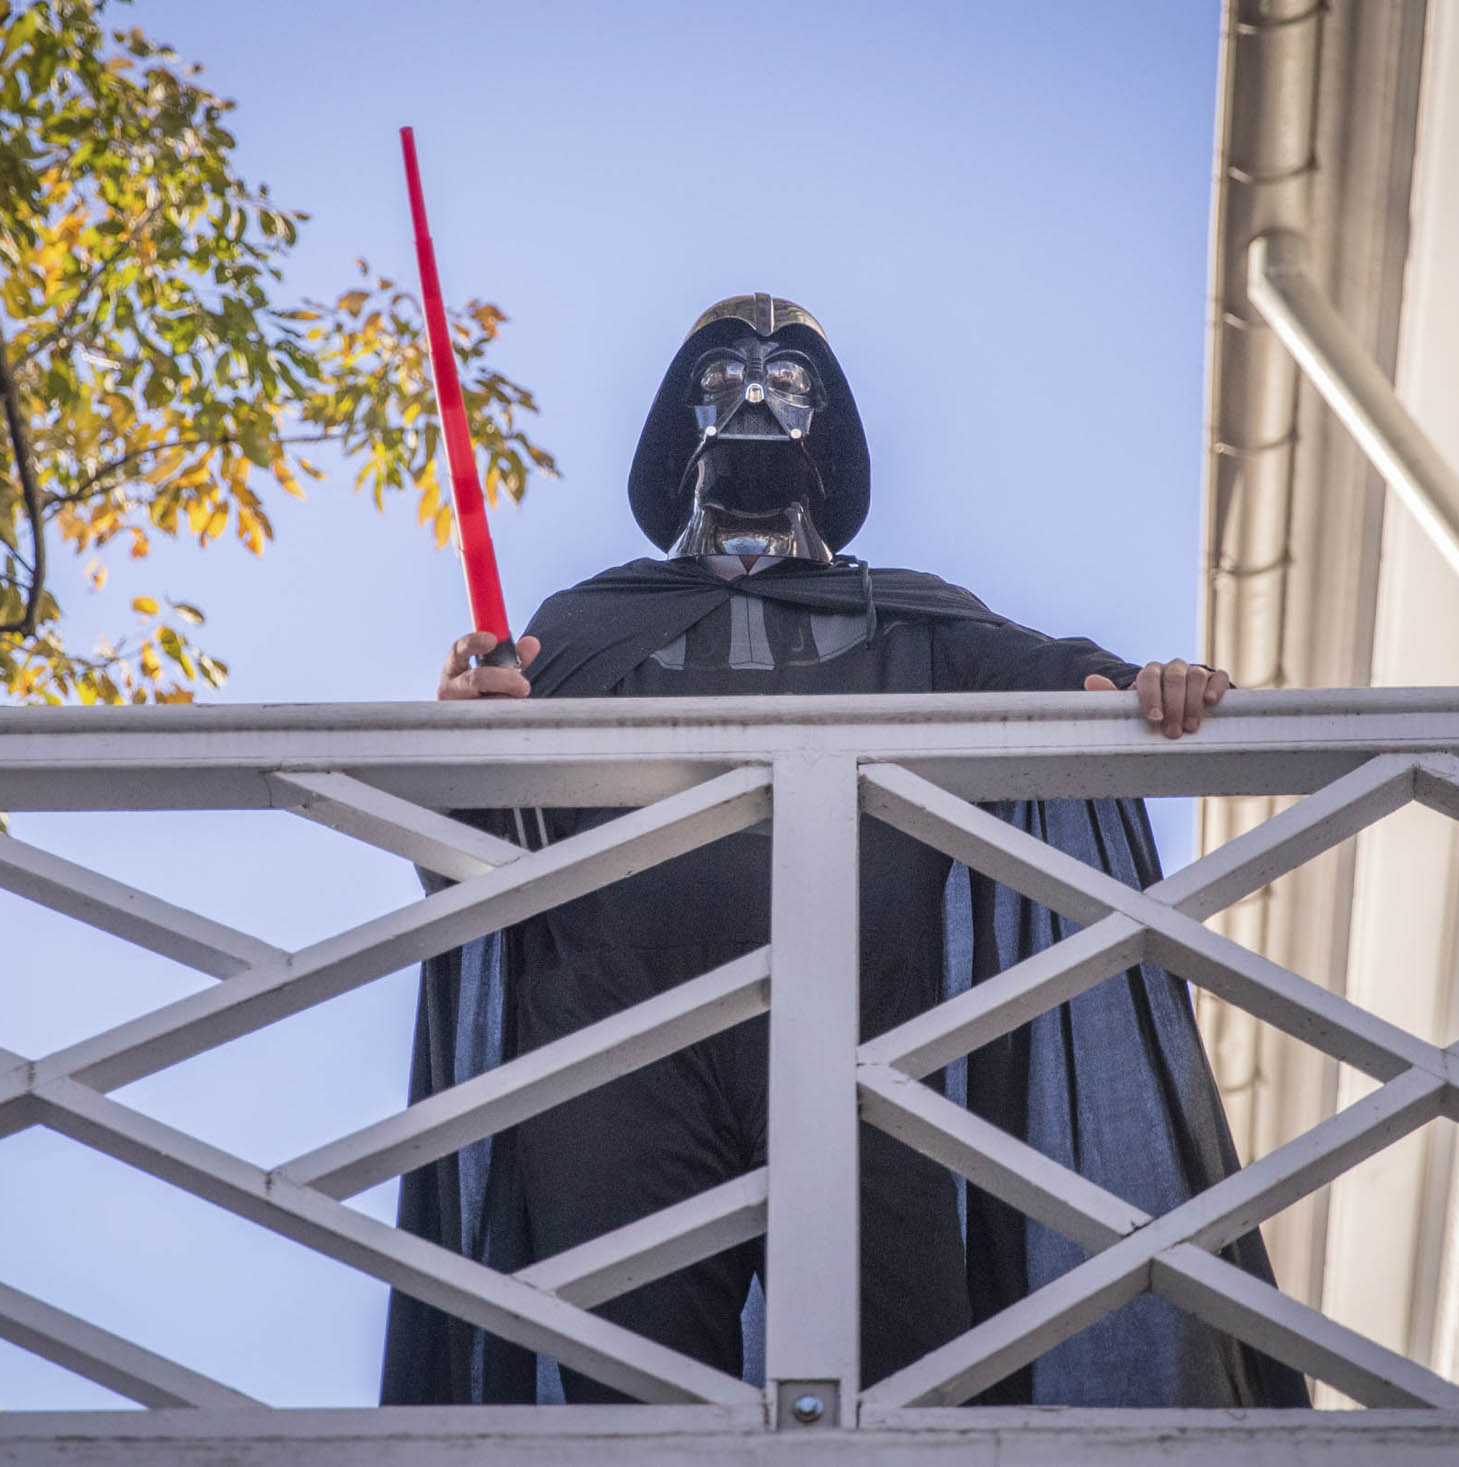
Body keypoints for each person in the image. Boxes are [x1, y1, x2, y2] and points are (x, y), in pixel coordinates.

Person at [381, 293, 1307, 1409]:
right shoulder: (581, 627)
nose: (757, 392)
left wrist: (1160, 683)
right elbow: (483, 867)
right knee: (623, 1390)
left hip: (865, 1042)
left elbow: (1079, 686)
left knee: (904, 1380)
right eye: (723, 376)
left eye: (787, 379)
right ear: (682, 433)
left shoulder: (917, 622)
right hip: (615, 1047)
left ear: (826, 437)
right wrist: (471, 733)